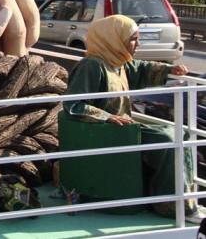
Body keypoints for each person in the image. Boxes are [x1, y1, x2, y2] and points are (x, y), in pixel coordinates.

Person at [64, 15, 206, 222]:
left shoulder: (116, 62)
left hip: (124, 128)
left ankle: (185, 202)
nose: (137, 43)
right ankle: (170, 206)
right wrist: (107, 117)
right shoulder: (92, 66)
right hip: (106, 132)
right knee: (167, 140)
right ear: (113, 38)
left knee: (181, 135)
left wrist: (169, 70)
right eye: (132, 39)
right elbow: (72, 104)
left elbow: (140, 68)